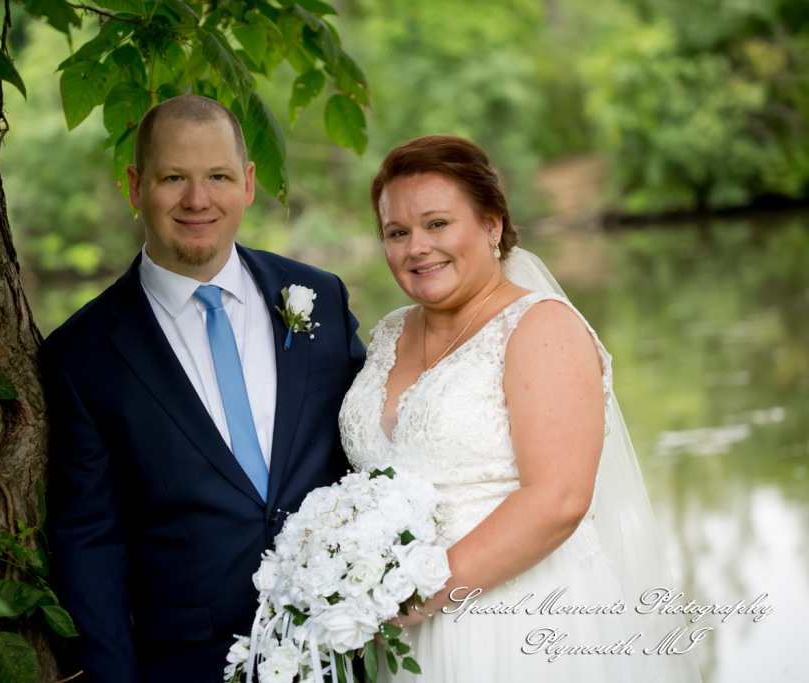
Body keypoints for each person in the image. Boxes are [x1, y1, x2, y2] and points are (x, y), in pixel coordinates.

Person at [338, 135, 703, 681]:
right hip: (396, 642)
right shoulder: (388, 332)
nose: (416, 247)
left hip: (515, 628)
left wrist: (409, 596)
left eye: (437, 224)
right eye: (397, 232)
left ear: (492, 225)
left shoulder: (541, 327)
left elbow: (558, 499)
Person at [40, 95, 366, 682]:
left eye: (217, 176)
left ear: (247, 183)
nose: (198, 200)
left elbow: (366, 456)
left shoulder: (322, 297)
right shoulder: (80, 355)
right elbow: (90, 549)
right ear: (135, 186)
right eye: (174, 178)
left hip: (341, 647)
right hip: (188, 663)